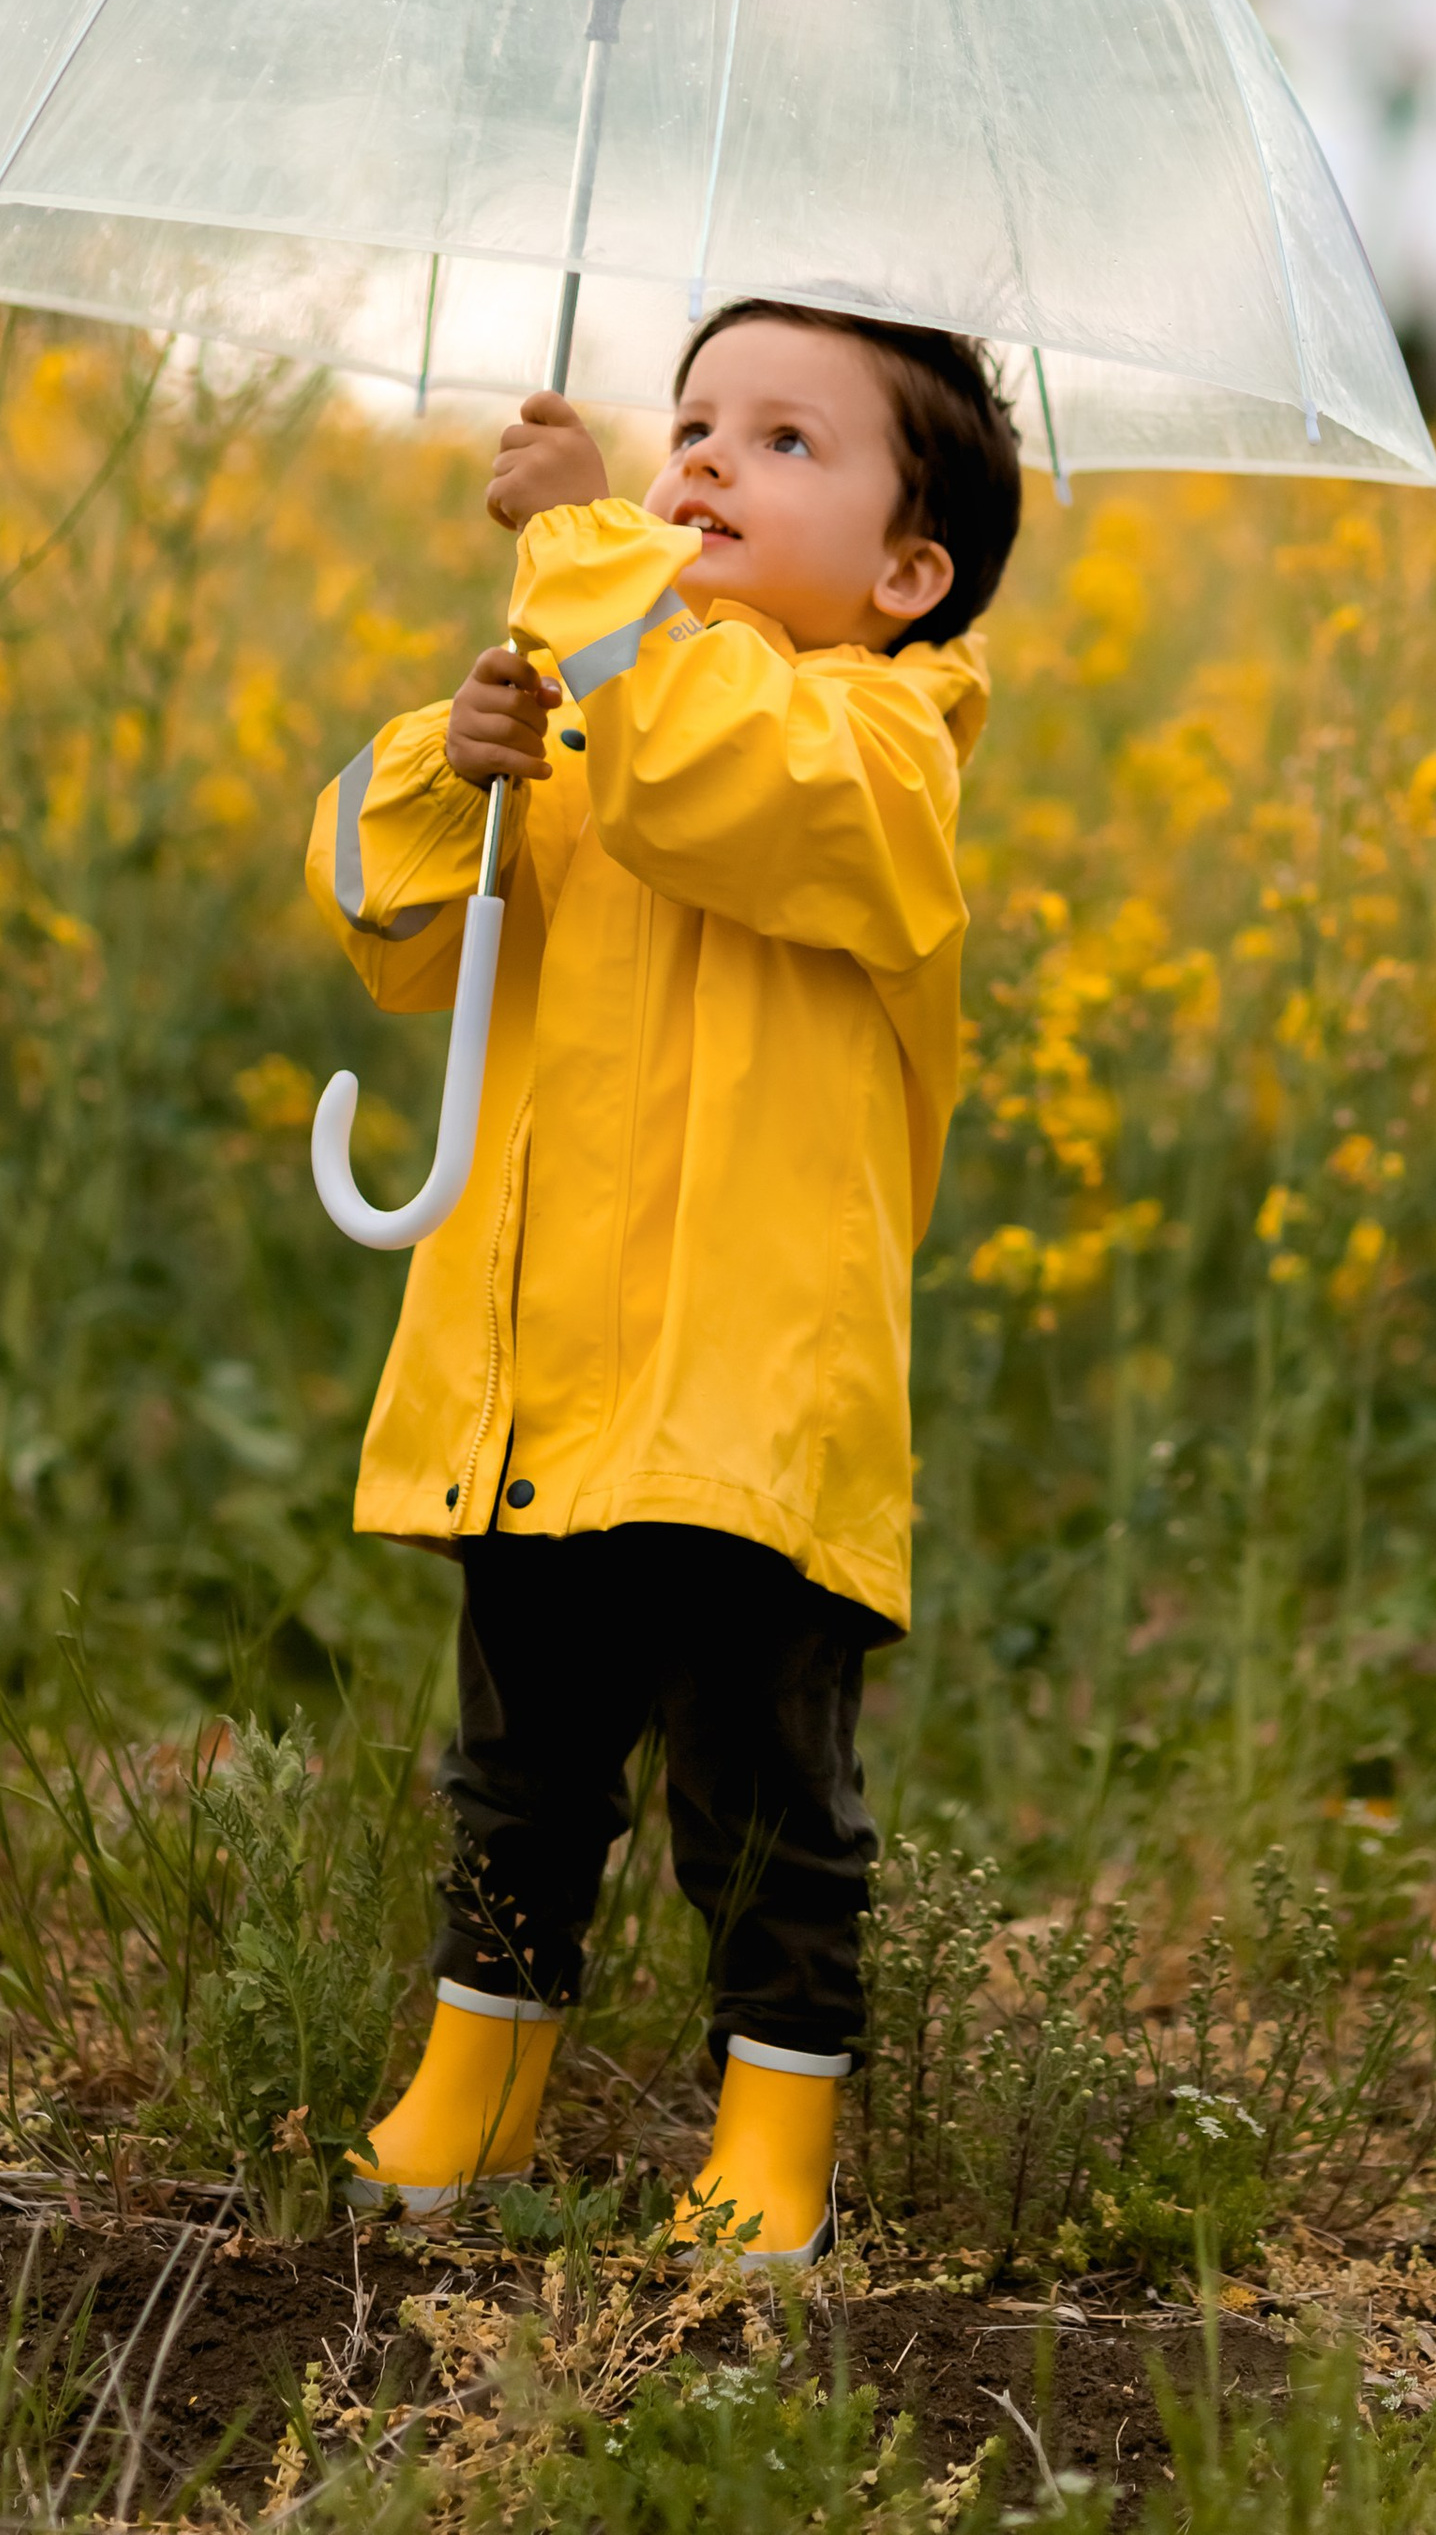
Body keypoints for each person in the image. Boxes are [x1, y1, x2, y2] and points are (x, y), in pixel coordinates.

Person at [305, 302, 1021, 2265]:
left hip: (746, 1400)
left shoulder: (880, 746)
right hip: (543, 1369)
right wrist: (459, 776)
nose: (701, 458)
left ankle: (772, 2138)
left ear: (906, 574)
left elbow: (722, 786)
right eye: (692, 420)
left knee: (761, 1808)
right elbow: (385, 919)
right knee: (517, 1775)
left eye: (785, 442)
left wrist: (578, 555)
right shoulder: (607, 700)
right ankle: (479, 2087)